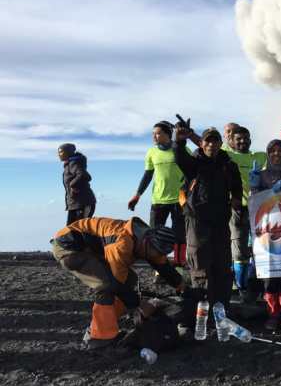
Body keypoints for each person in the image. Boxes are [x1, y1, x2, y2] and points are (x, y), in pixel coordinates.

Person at [51, 217, 184, 351]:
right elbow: (116, 282)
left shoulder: (149, 241)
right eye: (155, 251)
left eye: (161, 253)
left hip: (91, 250)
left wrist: (183, 288)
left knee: (130, 279)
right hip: (69, 247)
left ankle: (109, 323)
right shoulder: (122, 243)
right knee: (107, 284)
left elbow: (163, 266)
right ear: (146, 242)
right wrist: (139, 305)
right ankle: (98, 338)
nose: (155, 255)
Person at [174, 125, 243, 312]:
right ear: (202, 143)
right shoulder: (194, 163)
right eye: (208, 141)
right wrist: (179, 141)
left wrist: (236, 199)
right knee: (200, 267)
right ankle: (202, 311)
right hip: (197, 222)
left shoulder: (229, 165)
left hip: (221, 221)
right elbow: (180, 158)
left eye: (215, 141)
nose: (211, 144)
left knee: (222, 266)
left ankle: (221, 310)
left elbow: (237, 186)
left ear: (221, 143)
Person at [249, 139, 281, 332]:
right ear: (268, 154)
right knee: (269, 276)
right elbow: (254, 204)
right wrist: (254, 187)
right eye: (272, 151)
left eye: (280, 150)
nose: (276, 154)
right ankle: (273, 314)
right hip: (266, 231)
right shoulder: (259, 175)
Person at [127, 121, 187, 268]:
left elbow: (191, 170)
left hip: (179, 199)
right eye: (153, 133)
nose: (154, 136)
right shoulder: (151, 152)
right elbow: (147, 175)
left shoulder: (179, 149)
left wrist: (187, 190)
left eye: (158, 133)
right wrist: (137, 195)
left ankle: (179, 266)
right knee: (154, 235)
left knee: (180, 234)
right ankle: (159, 267)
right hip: (159, 199)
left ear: (168, 134)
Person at [222, 125, 267, 301]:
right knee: (239, 250)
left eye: (245, 138)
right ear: (231, 141)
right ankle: (240, 288)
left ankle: (255, 286)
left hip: (257, 209)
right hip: (237, 209)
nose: (242, 141)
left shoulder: (259, 156)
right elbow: (206, 147)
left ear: (250, 139)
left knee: (259, 249)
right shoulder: (228, 156)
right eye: (238, 138)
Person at [58, 143, 96, 224]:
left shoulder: (74, 163)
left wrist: (72, 184)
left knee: (80, 229)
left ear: (68, 152)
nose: (59, 154)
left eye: (61, 152)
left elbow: (84, 175)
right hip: (75, 204)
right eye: (58, 152)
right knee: (70, 230)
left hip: (83, 203)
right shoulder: (69, 164)